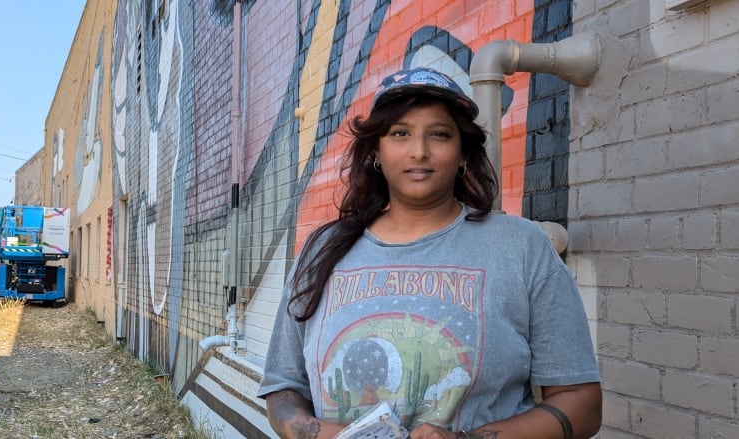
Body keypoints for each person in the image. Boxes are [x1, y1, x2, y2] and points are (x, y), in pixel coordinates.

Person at [257, 67, 602, 439]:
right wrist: (317, 433)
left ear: (462, 153)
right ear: (376, 149)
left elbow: (580, 401)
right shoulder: (321, 250)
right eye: (400, 133)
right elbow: (282, 387)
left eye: (439, 134)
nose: (419, 151)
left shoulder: (520, 247)